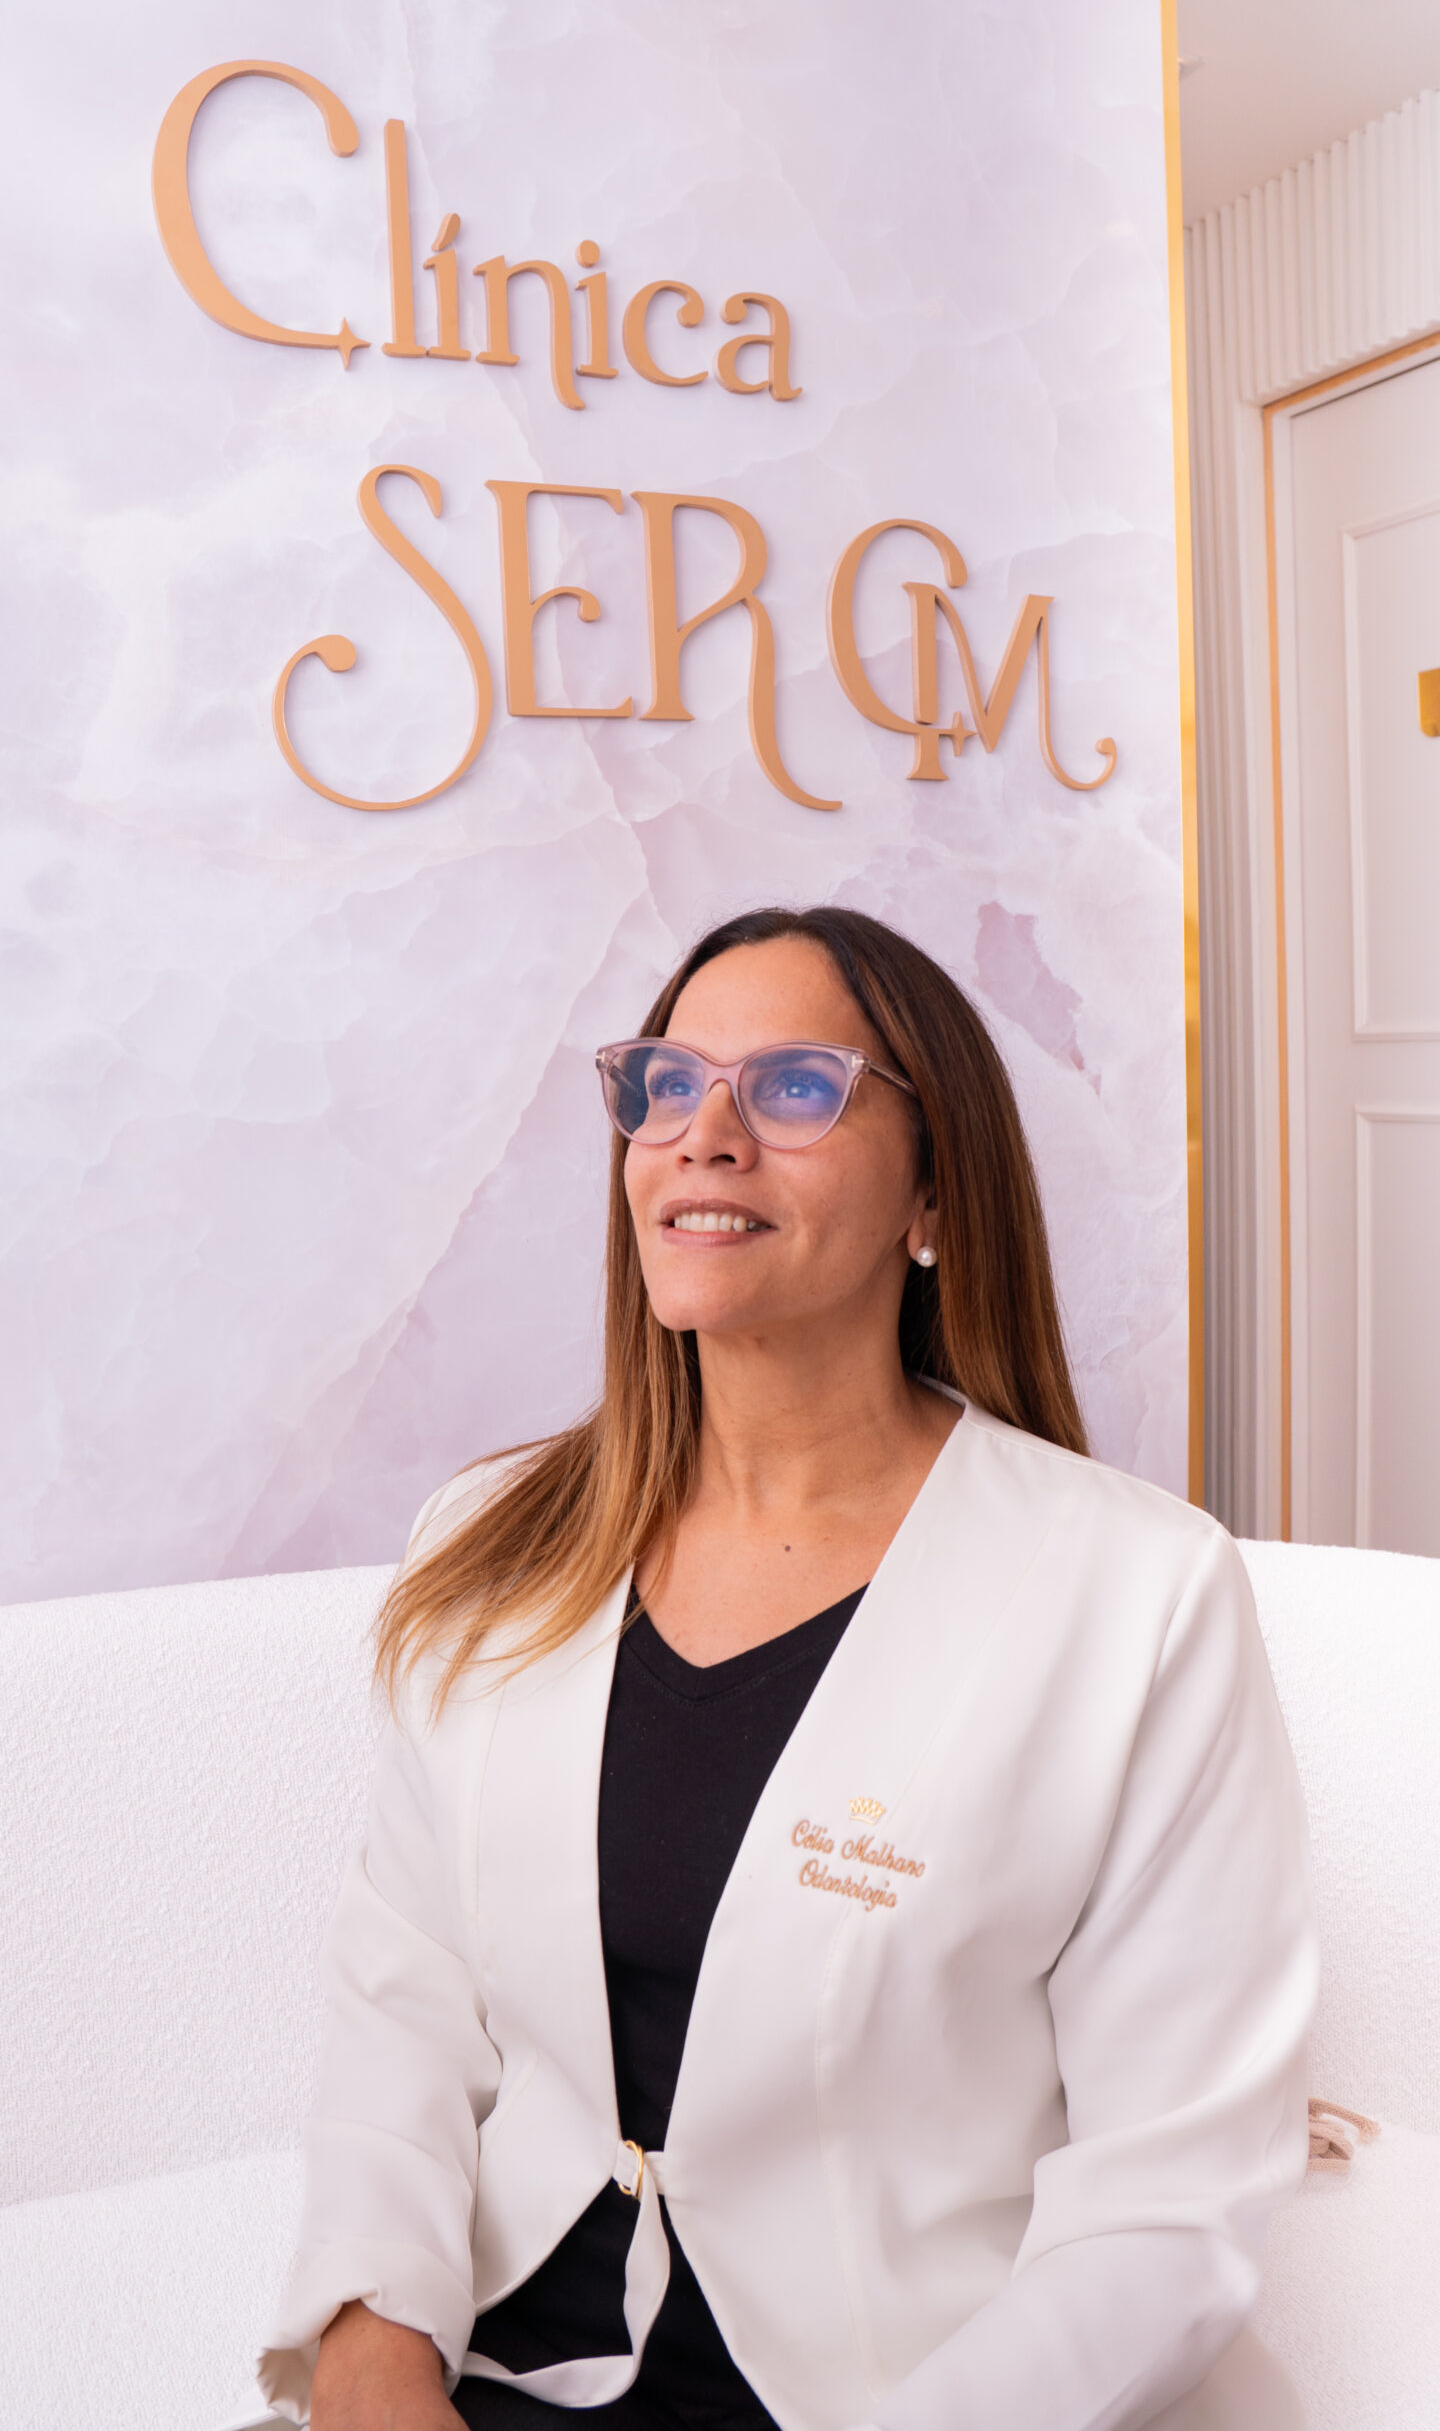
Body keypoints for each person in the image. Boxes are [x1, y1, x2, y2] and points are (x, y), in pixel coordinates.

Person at [257, 905, 1315, 2431]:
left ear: (934, 1191)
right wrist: (372, 2362)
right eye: (667, 1084)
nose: (707, 1134)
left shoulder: (1142, 1595)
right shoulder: (487, 1546)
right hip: (498, 2371)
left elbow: (1169, 2210)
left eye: (797, 1088)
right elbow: (404, 2017)